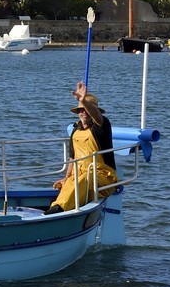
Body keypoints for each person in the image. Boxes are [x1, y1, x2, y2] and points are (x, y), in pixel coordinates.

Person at [48, 80, 118, 212]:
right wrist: (66, 178)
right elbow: (72, 158)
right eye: (81, 110)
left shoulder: (102, 126)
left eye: (87, 110)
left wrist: (84, 101)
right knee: (66, 184)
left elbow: (97, 116)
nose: (84, 112)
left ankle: (58, 210)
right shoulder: (75, 130)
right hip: (78, 174)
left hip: (101, 176)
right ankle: (55, 208)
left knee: (84, 180)